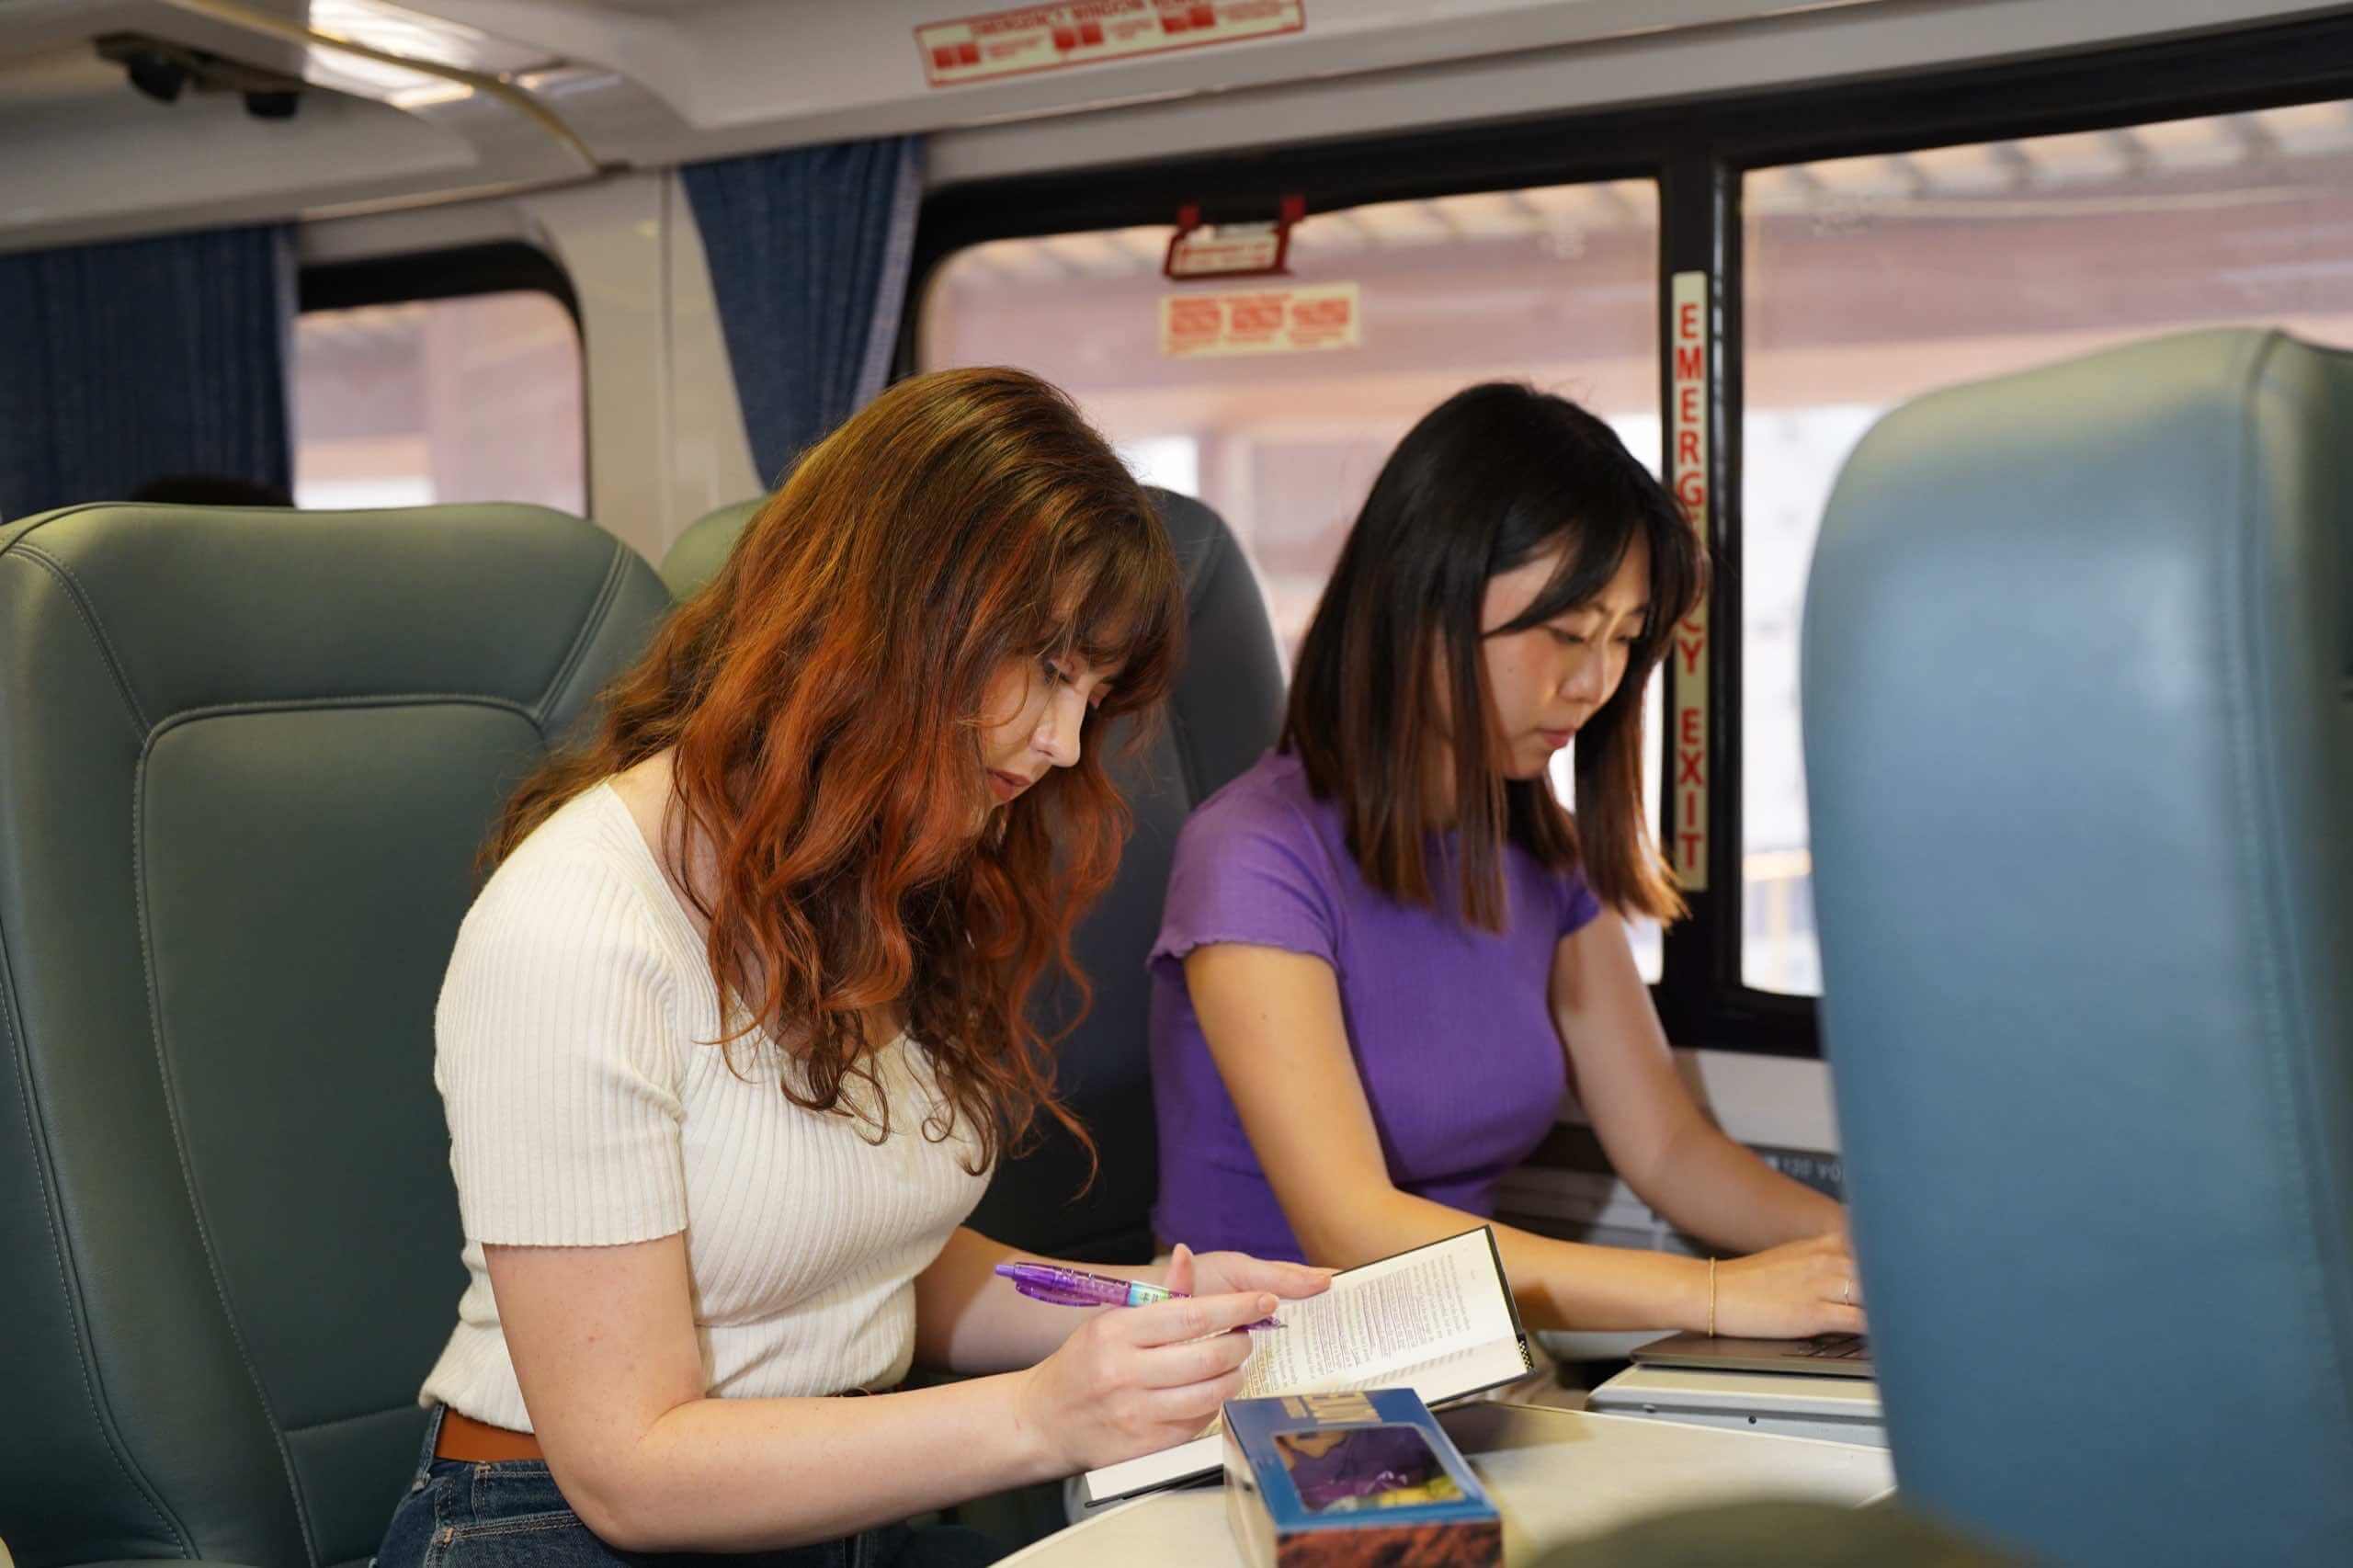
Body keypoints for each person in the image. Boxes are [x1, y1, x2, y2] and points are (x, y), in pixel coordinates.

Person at [373, 367, 1328, 1568]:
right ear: (890, 620)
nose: (1065, 740)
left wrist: (1149, 1308)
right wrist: (1044, 1415)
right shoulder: (574, 927)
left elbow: (878, 1268)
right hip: (553, 1530)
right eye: (1044, 667)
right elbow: (628, 1470)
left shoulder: (875, 877)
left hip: (825, 1508)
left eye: (1092, 692)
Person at [1148, 382, 1862, 1341]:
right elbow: (1350, 1226)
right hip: (1249, 1373)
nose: (1592, 683)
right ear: (1422, 605)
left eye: (1620, 637)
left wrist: (1865, 1255)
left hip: (1460, 1359)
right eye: (1564, 634)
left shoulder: (1535, 844)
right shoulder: (1253, 854)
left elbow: (1665, 1145)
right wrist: (1715, 1292)